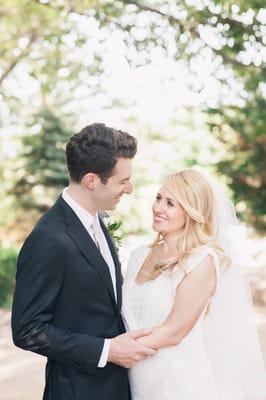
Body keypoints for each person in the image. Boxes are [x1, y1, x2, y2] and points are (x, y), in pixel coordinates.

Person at [11, 123, 156, 400]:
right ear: (92, 181)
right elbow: (27, 329)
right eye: (122, 180)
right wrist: (107, 350)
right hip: (78, 391)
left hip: (118, 386)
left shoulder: (97, 219)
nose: (130, 188)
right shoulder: (49, 238)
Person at [122, 169, 266, 400]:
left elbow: (173, 332)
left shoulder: (200, 261)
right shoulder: (138, 255)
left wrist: (116, 350)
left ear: (191, 212)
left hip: (177, 384)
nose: (158, 208)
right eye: (159, 198)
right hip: (136, 380)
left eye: (170, 203)